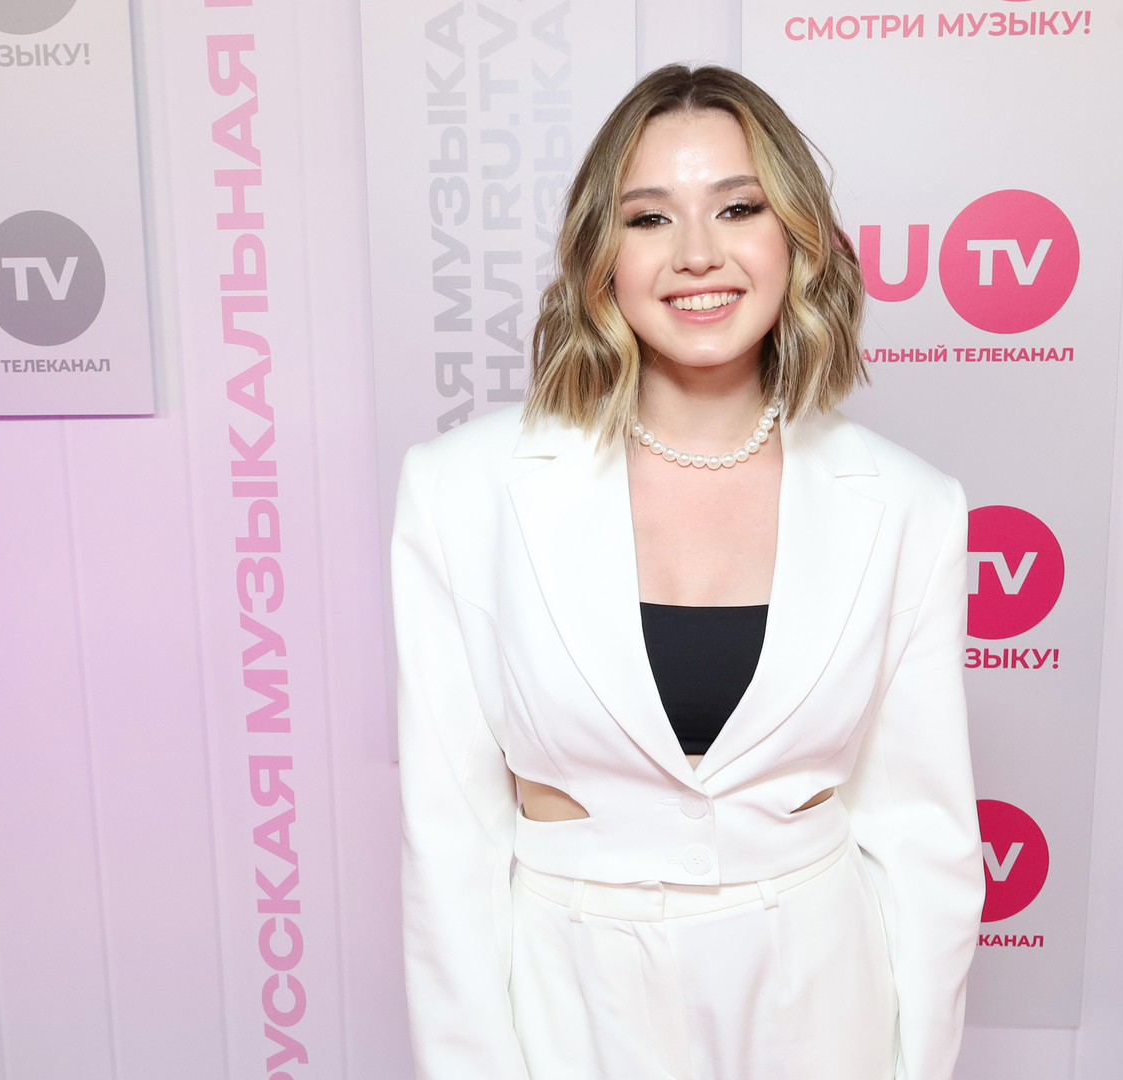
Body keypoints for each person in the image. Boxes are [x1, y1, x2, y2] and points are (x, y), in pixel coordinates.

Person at [392, 64, 983, 1080]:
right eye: (650, 217)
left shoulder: (910, 505)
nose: (697, 253)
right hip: (570, 1008)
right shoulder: (460, 490)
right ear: (601, 256)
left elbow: (924, 838)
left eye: (739, 208)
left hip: (821, 1007)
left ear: (796, 237)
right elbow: (449, 844)